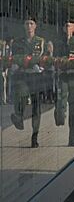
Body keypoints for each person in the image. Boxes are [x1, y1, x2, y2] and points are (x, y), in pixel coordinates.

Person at [10, 17, 45, 148]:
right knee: (21, 95)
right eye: (27, 24)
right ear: (24, 26)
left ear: (35, 26)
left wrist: (28, 61)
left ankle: (34, 136)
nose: (29, 26)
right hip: (23, 75)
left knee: (36, 108)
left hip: (36, 76)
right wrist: (28, 61)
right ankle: (18, 116)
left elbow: (40, 56)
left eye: (31, 23)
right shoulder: (18, 42)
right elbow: (16, 57)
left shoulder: (40, 41)